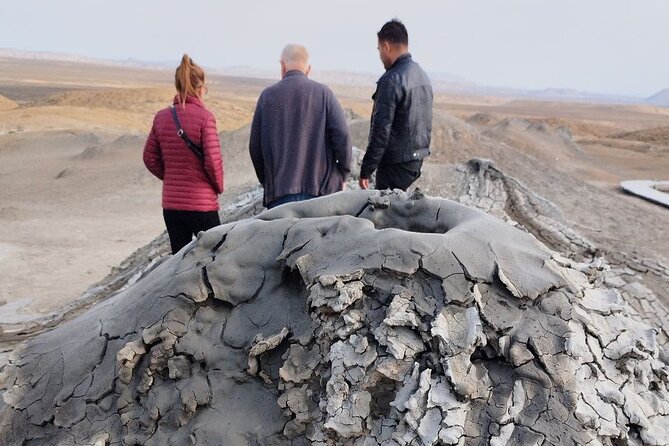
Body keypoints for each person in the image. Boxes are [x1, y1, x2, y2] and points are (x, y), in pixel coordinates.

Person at [249, 44, 353, 209]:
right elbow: (343, 137)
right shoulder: (324, 94)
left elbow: (255, 148)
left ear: (282, 65)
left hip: (280, 197)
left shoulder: (267, 97)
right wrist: (343, 174)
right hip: (321, 195)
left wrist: (268, 183)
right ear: (308, 69)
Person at [143, 54, 224, 254]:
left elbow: (150, 157)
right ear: (199, 88)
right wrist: (218, 186)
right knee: (215, 259)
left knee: (179, 264)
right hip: (202, 204)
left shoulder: (162, 117)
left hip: (172, 206)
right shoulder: (205, 118)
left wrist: (171, 177)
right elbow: (213, 162)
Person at [359, 19, 433, 191]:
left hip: (394, 166)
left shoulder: (392, 80)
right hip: (415, 161)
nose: (380, 56)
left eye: (379, 50)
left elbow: (381, 131)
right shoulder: (422, 76)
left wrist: (366, 170)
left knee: (385, 215)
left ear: (386, 46)